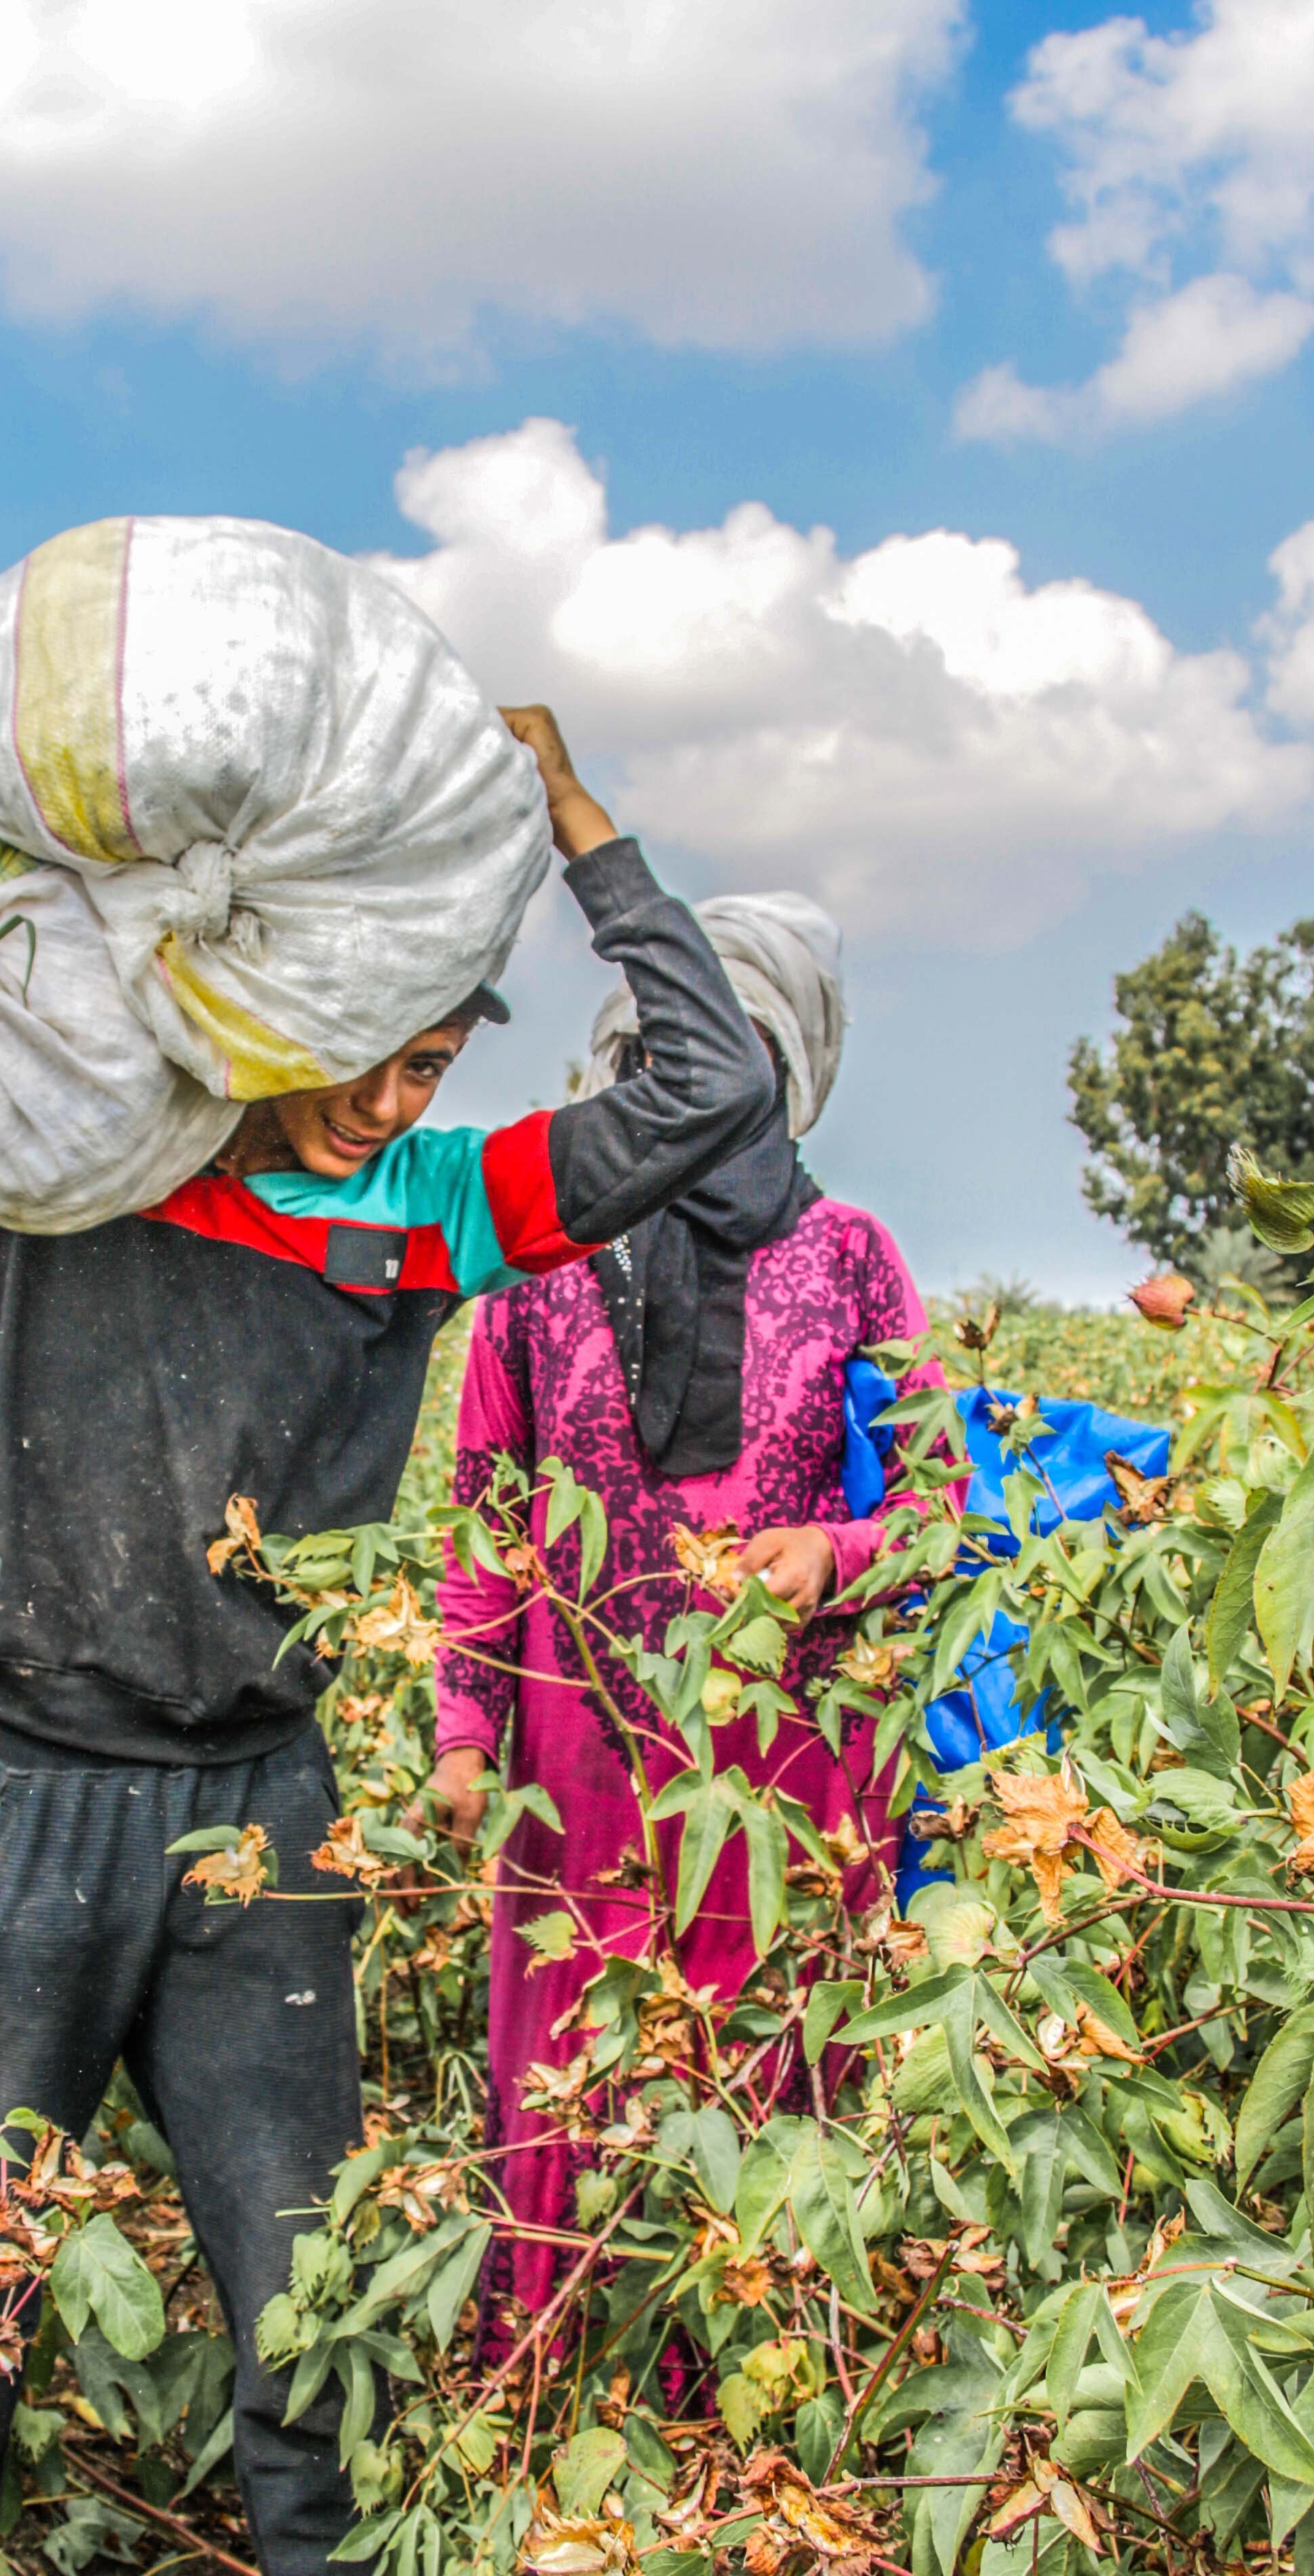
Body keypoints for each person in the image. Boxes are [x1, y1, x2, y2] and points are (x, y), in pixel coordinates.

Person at [0, 707, 775, 2576]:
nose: (388, 1102)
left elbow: (709, 1094)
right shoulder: (88, 1135)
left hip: (264, 1812)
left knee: (308, 2298)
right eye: (365, 1055)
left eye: (431, 1063)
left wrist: (591, 835)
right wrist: (57, 856)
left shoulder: (439, 1206)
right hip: (25, 1787)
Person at [428, 894, 943, 2319]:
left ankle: (758, 2433)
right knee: (580, 2079)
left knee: (769, 2078)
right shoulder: (538, 1268)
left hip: (790, 1765)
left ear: (787, 1073)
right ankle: (567, 2390)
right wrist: (466, 1729)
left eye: (731, 1067)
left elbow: (936, 1510)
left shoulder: (851, 1256)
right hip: (577, 1758)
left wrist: (830, 1558)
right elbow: (487, 1518)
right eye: (664, 1068)